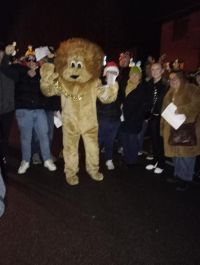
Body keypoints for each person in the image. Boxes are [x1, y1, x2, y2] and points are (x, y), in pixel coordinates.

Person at [12, 52, 57, 174]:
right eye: (29, 61)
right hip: (23, 110)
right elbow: (11, 69)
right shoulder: (19, 73)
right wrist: (20, 65)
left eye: (34, 61)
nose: (31, 63)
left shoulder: (40, 74)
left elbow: (48, 84)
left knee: (44, 134)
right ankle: (25, 161)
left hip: (38, 109)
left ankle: (47, 159)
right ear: (25, 62)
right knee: (26, 137)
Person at [160, 70, 200, 191]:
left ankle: (185, 179)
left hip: (186, 129)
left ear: (182, 78)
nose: (172, 81)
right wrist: (162, 128)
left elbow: (197, 104)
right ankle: (177, 175)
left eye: (175, 78)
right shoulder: (170, 92)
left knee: (186, 156)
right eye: (170, 79)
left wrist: (181, 109)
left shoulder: (192, 89)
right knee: (176, 155)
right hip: (172, 128)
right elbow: (164, 111)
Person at [120, 65, 148, 166]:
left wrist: (136, 118)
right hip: (123, 119)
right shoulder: (125, 85)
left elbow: (143, 106)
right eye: (132, 74)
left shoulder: (142, 88)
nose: (134, 76)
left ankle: (131, 161)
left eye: (136, 75)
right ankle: (126, 158)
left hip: (134, 120)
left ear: (140, 76)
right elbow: (121, 99)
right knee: (125, 139)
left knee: (132, 141)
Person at [145, 62, 168, 174]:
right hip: (151, 117)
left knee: (160, 141)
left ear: (162, 71)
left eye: (157, 69)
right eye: (152, 69)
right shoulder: (149, 84)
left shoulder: (166, 85)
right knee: (153, 140)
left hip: (161, 117)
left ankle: (162, 163)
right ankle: (155, 161)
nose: (154, 71)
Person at [97, 61, 121, 170]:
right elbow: (100, 101)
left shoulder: (119, 87)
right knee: (99, 140)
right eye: (109, 72)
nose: (111, 74)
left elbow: (122, 102)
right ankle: (93, 159)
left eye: (113, 72)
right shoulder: (100, 85)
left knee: (110, 141)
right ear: (105, 73)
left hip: (115, 119)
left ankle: (109, 159)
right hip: (103, 118)